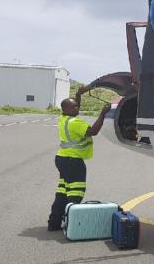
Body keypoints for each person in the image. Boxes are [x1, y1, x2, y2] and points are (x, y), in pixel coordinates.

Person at [47, 87, 112, 231]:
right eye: (75, 106)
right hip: (73, 162)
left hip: (62, 159)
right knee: (75, 193)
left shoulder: (63, 118)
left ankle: (54, 223)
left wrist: (78, 94)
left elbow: (74, 106)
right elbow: (93, 132)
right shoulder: (75, 123)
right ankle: (72, 225)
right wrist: (103, 113)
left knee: (63, 193)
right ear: (68, 109)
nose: (78, 108)